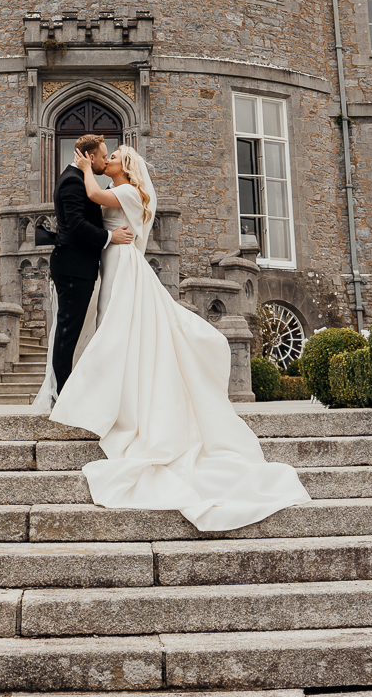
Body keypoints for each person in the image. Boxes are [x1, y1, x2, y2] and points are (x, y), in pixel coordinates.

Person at [50, 144, 311, 531]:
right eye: (109, 155)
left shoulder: (125, 191)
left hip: (121, 264)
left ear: (129, 167)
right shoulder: (121, 189)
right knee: (112, 330)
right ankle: (102, 395)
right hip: (110, 261)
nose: (110, 161)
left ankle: (100, 399)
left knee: (117, 332)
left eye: (116, 157)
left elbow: (92, 195)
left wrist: (85, 165)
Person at [46, 134, 133, 396]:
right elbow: (75, 224)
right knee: (68, 330)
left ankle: (65, 390)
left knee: (71, 329)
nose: (105, 161)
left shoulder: (79, 178)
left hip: (78, 266)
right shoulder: (72, 181)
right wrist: (110, 236)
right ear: (90, 157)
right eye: (104, 156)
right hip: (72, 266)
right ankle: (61, 393)